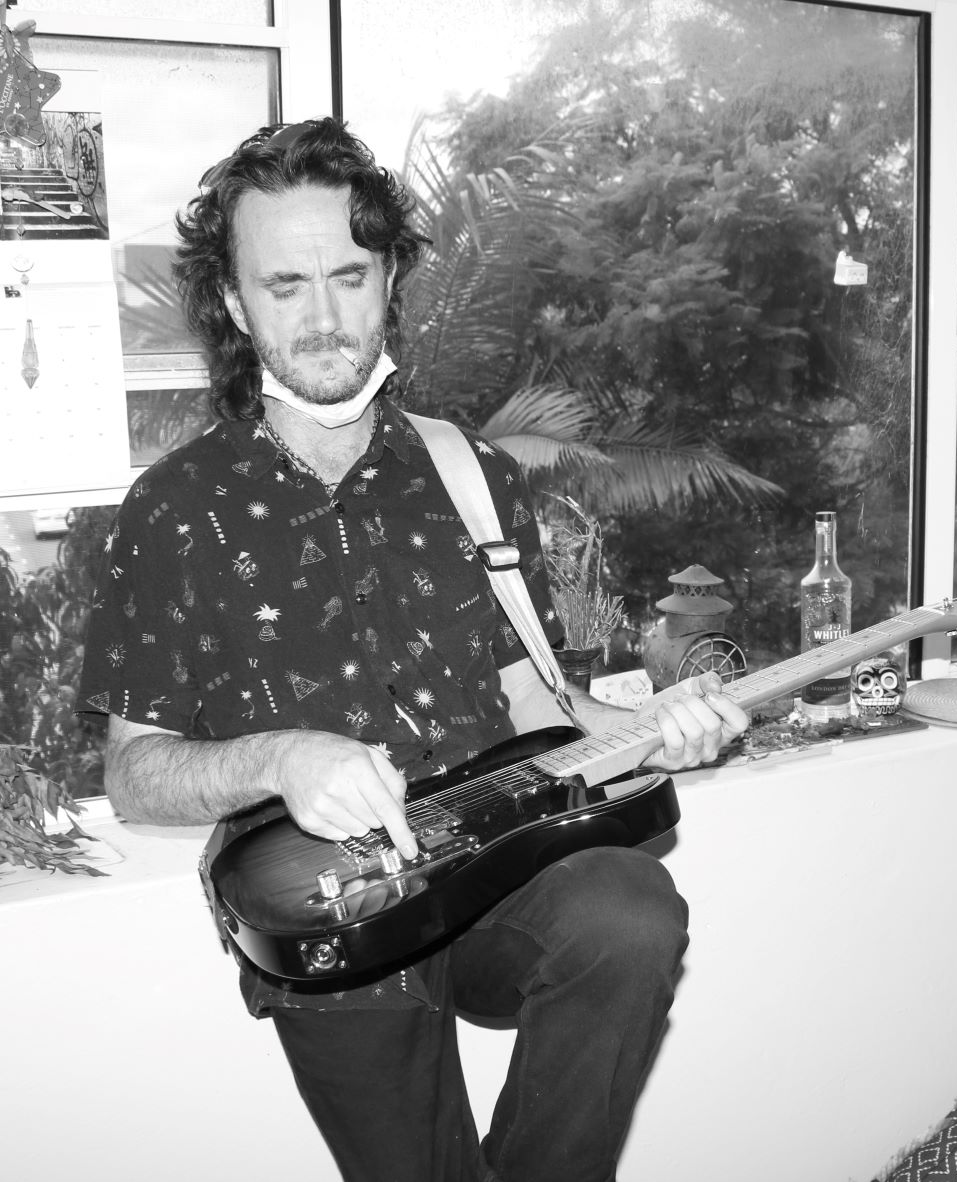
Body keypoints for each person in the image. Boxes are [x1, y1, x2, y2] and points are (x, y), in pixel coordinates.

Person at [77, 117, 748, 1182]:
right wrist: (280, 758)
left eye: (349, 275)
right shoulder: (173, 511)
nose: (324, 316)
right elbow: (134, 774)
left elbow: (542, 710)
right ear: (233, 302)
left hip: (502, 877)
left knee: (629, 916)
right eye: (284, 283)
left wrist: (656, 737)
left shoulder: (473, 475)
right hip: (329, 918)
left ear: (390, 277)